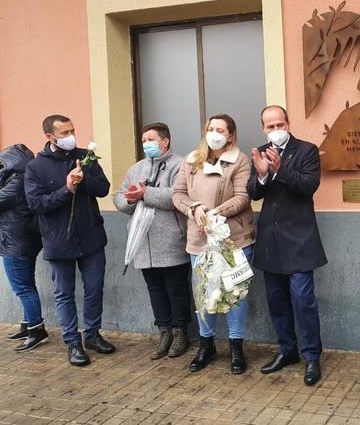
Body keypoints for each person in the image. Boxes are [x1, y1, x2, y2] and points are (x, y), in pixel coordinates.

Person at [24, 114, 114, 366]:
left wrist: (85, 180)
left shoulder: (86, 156)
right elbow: (36, 204)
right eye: (64, 133)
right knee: (64, 294)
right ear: (50, 137)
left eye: (72, 130)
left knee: (94, 288)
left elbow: (104, 188)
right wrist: (66, 190)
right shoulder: (35, 167)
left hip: (91, 237)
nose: (70, 137)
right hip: (58, 239)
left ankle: (93, 334)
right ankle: (73, 343)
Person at [248, 105, 327, 386]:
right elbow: (253, 194)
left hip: (300, 239)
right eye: (270, 126)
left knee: (303, 300)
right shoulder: (258, 151)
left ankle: (312, 356)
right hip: (271, 238)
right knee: (277, 302)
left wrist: (280, 170)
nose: (276, 130)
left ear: (288, 123)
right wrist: (261, 175)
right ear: (263, 129)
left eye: (280, 124)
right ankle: (287, 350)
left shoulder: (306, 150)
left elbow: (309, 186)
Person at [172, 114, 255, 374]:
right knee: (203, 294)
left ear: (230, 135)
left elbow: (243, 196)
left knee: (235, 294)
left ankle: (236, 346)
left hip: (234, 240)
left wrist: (216, 213)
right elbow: (178, 194)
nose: (214, 133)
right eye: (211, 128)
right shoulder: (191, 160)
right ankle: (206, 344)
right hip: (199, 240)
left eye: (220, 129)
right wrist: (194, 209)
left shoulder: (240, 161)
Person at [113, 122, 191, 360]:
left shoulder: (181, 165)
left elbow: (177, 196)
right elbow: (119, 196)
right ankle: (164, 331)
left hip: (171, 239)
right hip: (142, 242)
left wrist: (146, 193)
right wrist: (129, 198)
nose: (146, 144)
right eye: (144, 140)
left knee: (177, 289)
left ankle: (181, 333)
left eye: (150, 139)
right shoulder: (137, 168)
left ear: (165, 141)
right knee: (155, 289)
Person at [0, 144, 46, 351]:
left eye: (1, 162)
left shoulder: (16, 182)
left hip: (15, 243)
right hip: (24, 240)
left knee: (22, 287)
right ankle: (28, 324)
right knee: (27, 283)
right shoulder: (23, 178)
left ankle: (37, 330)